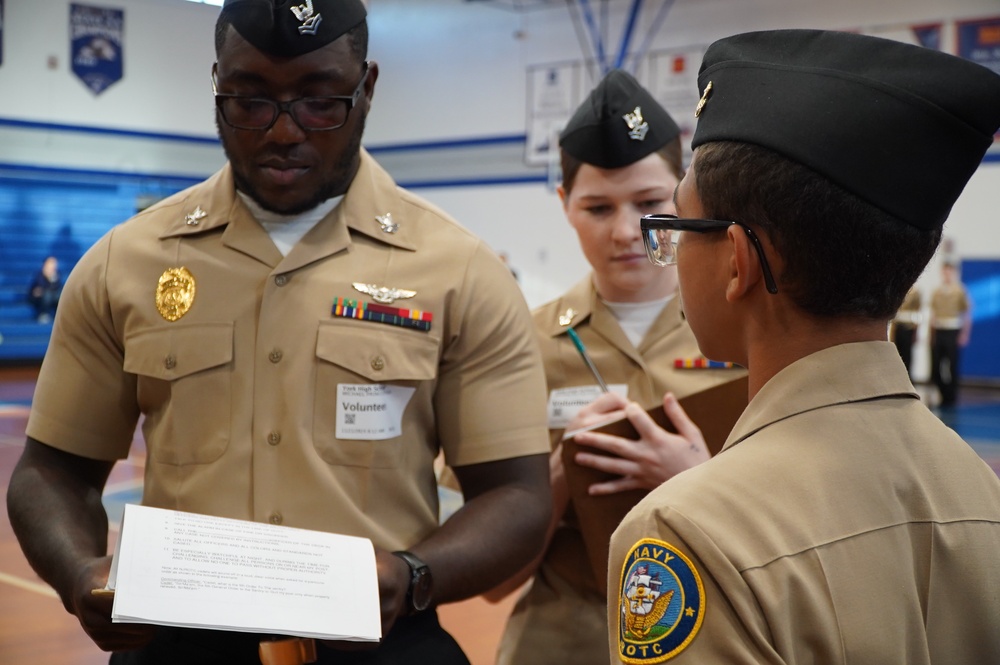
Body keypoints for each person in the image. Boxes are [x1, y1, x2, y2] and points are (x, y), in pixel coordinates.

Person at [6, 2, 552, 664]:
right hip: (176, 643)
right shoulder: (124, 264)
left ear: (367, 86)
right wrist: (77, 572)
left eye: (321, 101)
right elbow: (52, 470)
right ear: (216, 83)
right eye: (250, 100)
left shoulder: (461, 271)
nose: (284, 131)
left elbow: (517, 494)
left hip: (380, 639)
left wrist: (414, 574)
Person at [613, 29, 1000, 663]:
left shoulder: (687, 534)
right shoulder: (978, 493)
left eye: (676, 226)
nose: (669, 256)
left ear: (737, 262)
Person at [492, 69, 743, 665]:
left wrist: (698, 484)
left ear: (685, 195)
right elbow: (494, 579)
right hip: (564, 640)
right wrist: (556, 476)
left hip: (722, 634)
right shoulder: (518, 344)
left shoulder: (749, 328)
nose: (628, 232)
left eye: (651, 204)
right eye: (598, 207)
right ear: (564, 205)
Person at [930, 261, 971, 408]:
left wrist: (964, 333)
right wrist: (932, 335)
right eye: (944, 271)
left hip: (953, 330)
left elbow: (966, 313)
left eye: (949, 271)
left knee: (952, 365)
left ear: (953, 273)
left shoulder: (959, 290)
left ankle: (951, 398)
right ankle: (944, 394)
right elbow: (933, 314)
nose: (946, 274)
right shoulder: (937, 292)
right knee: (935, 367)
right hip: (939, 330)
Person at [890, 285, 921, 377]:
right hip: (898, 326)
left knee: (907, 356)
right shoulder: (896, 290)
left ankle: (908, 379)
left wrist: (916, 330)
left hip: (909, 327)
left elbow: (917, 311)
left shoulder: (915, 292)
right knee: (897, 356)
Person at [26, 255, 62, 323]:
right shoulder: (39, 275)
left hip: (53, 296)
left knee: (59, 295)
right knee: (47, 294)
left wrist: (52, 279)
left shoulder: (57, 275)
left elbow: (57, 286)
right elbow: (38, 288)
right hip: (39, 298)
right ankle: (43, 314)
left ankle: (57, 315)